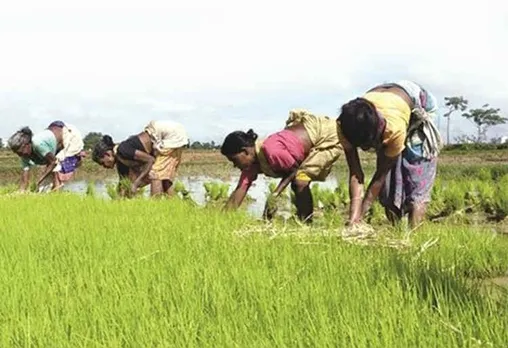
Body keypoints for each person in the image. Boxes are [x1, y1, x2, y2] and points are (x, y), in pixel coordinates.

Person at [337, 80, 443, 228]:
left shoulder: (393, 129)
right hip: (386, 102)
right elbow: (356, 174)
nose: (366, 150)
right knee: (388, 191)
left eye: (368, 145)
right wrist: (354, 218)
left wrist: (360, 214)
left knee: (417, 185)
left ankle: (412, 239)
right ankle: (397, 231)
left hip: (417, 105)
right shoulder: (345, 126)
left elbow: (380, 176)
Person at [220, 109, 342, 223]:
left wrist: (274, 195)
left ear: (245, 151)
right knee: (297, 182)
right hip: (307, 146)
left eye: (234, 160)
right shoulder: (251, 165)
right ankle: (302, 220)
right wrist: (221, 221)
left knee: (300, 181)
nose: (235, 165)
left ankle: (306, 224)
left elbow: (295, 169)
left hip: (325, 136)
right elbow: (240, 190)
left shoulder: (270, 150)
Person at [92, 120, 189, 197]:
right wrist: (118, 199)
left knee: (155, 174)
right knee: (164, 180)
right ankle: (172, 206)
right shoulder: (121, 161)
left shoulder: (122, 150)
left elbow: (150, 160)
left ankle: (156, 208)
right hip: (169, 135)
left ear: (107, 154)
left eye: (102, 163)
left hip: (170, 135)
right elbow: (123, 183)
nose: (104, 166)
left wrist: (136, 183)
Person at [7, 121, 85, 192]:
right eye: (17, 153)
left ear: (27, 145)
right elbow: (25, 175)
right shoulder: (24, 156)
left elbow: (53, 162)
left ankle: (57, 194)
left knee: (59, 169)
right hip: (54, 148)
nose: (20, 155)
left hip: (69, 134)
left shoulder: (37, 144)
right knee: (43, 188)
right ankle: (55, 193)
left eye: (21, 152)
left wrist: (41, 178)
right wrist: (21, 191)